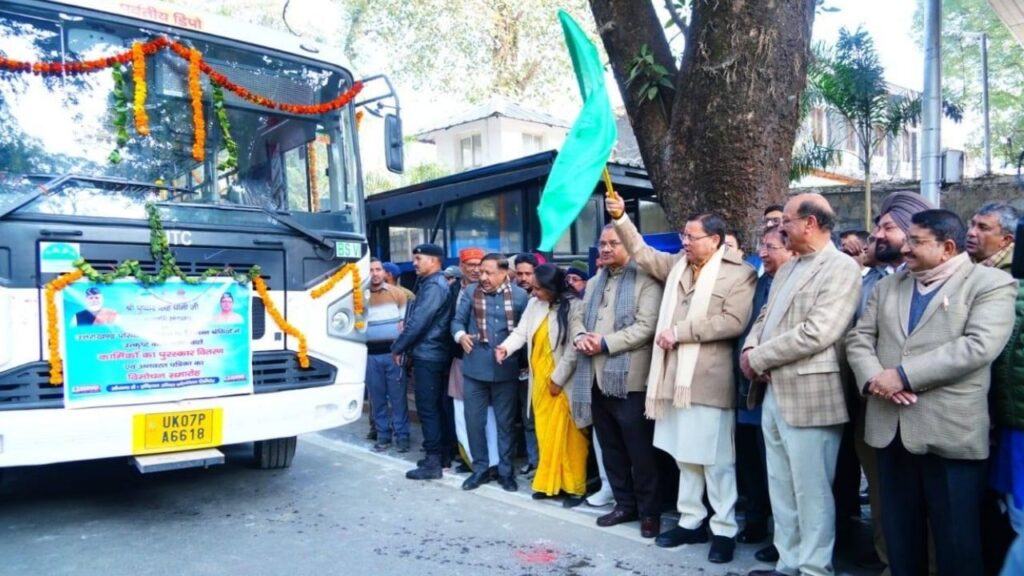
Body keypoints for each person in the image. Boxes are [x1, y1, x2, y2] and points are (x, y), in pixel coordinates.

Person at [846, 209, 1017, 576]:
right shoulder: (890, 285)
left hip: (949, 433)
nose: (903, 248)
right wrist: (877, 378)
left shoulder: (989, 284)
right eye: (906, 239)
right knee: (901, 542)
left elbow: (978, 346)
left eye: (915, 241)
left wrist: (903, 376)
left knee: (957, 545)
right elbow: (860, 338)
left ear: (947, 247)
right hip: (889, 430)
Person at [607, 195, 756, 563]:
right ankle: (691, 521)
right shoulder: (677, 266)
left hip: (709, 381)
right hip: (673, 381)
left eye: (692, 236)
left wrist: (681, 331)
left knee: (716, 462)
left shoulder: (740, 273)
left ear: (715, 240)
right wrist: (622, 218)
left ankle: (723, 530)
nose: (684, 242)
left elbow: (733, 321)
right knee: (685, 458)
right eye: (684, 236)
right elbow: (641, 252)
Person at [739, 193, 862, 576]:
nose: (779, 229)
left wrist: (758, 358)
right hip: (772, 391)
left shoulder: (841, 268)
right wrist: (750, 348)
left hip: (811, 396)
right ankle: (787, 562)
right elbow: (764, 316)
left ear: (810, 223)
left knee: (812, 492)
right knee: (781, 484)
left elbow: (818, 332)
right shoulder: (790, 267)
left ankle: (813, 567)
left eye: (786, 221)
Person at [571, 223, 664, 539]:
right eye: (602, 243)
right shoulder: (595, 280)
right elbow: (576, 317)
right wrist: (581, 336)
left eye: (614, 243)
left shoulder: (647, 280)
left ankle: (650, 512)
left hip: (631, 381)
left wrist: (605, 343)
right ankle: (624, 504)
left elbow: (646, 327)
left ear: (630, 245)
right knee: (611, 449)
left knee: (641, 453)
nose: (606, 248)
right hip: (595, 379)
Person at [496, 264, 588, 502]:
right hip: (539, 383)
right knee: (546, 435)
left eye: (538, 288)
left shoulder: (575, 307)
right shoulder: (534, 304)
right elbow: (521, 332)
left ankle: (574, 487)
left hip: (563, 384)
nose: (533, 292)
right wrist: (505, 348)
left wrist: (557, 379)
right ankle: (550, 484)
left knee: (570, 439)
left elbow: (573, 349)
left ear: (552, 288)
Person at [734, 228, 794, 559]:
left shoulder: (797, 284)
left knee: (780, 469)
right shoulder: (758, 282)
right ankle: (756, 521)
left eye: (770, 247)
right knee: (752, 463)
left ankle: (783, 540)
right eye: (762, 246)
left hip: (778, 386)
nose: (763, 253)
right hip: (747, 385)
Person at [451, 253, 529, 492]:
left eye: (489, 272)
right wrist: (460, 335)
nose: (482, 276)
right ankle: (480, 469)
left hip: (506, 370)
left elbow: (526, 333)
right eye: (481, 271)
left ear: (504, 273)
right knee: (475, 422)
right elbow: (456, 322)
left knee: (506, 424)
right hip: (474, 369)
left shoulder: (520, 296)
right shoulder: (470, 292)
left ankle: (505, 472)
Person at [391, 244, 453, 480]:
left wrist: (398, 346)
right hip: (432, 352)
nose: (414, 263)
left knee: (428, 409)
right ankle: (442, 455)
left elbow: (419, 322)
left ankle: (433, 462)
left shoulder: (434, 286)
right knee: (435, 408)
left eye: (418, 258)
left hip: (429, 354)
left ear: (434, 260)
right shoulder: (433, 283)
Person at [449, 246, 501, 476]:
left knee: (490, 414)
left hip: (492, 362)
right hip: (460, 360)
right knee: (463, 412)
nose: (474, 270)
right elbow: (450, 323)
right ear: (461, 267)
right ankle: (471, 459)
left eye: (479, 266)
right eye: (469, 265)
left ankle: (493, 463)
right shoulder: (452, 291)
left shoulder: (501, 292)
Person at [365, 258, 410, 453]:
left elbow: (406, 326)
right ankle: (383, 435)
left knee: (398, 398)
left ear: (384, 273)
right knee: (377, 398)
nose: (375, 273)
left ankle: (402, 436)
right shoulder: (358, 297)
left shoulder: (397, 294)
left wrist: (401, 350)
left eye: (378, 269)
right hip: (370, 356)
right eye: (371, 270)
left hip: (394, 355)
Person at [512, 252, 541, 476]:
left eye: (527, 273)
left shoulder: (545, 298)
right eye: (519, 273)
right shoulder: (512, 295)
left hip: (541, 369)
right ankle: (533, 461)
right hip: (518, 368)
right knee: (527, 418)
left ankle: (542, 464)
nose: (523, 278)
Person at [967, 202, 1018, 271]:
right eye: (972, 224)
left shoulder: (1016, 273)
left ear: (1005, 240)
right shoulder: (962, 260)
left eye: (983, 228)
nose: (971, 233)